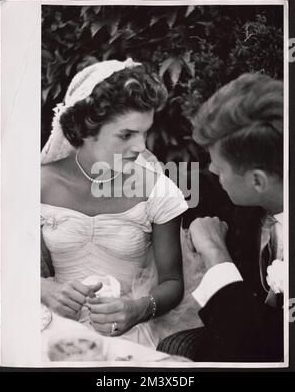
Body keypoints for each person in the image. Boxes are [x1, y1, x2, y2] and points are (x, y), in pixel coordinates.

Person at [41, 58, 200, 349]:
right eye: (126, 134)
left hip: (129, 334)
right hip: (50, 327)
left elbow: (173, 282)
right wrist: (44, 289)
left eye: (144, 132)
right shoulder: (38, 184)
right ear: (86, 128)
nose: (140, 147)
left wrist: (138, 309)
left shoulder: (157, 189)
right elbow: (9, 264)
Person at [157, 73, 284, 361]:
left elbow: (254, 350)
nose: (212, 170)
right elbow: (198, 184)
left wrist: (215, 253)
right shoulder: (261, 188)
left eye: (219, 165)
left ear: (258, 181)